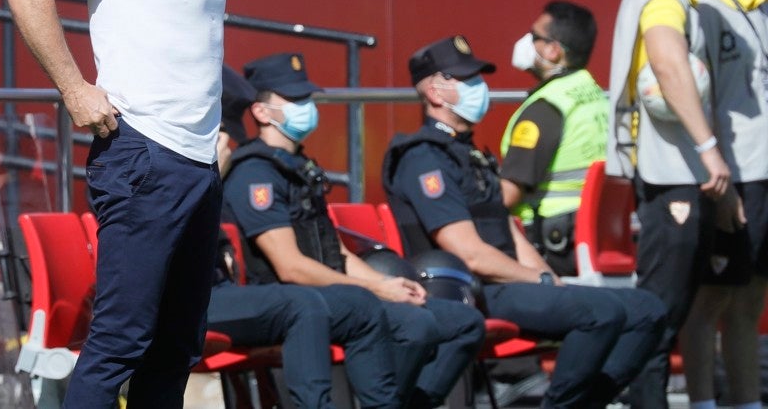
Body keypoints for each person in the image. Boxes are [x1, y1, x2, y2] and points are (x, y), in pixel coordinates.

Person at [3, 0, 228, 408]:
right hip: (144, 157)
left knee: (176, 347)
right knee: (120, 343)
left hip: (195, 161)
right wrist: (75, 89)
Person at [384, 35, 668, 409]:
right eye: (466, 79)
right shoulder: (424, 158)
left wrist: (550, 279)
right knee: (600, 315)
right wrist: (541, 281)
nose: (478, 87)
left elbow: (508, 232)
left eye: (477, 78)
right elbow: (470, 254)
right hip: (472, 290)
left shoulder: (469, 154)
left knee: (647, 310)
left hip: (509, 283)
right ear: (435, 92)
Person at [223, 52, 485, 408]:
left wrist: (389, 284)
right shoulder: (255, 173)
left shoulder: (299, 167)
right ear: (261, 112)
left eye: (307, 98)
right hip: (299, 303)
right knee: (415, 326)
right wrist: (376, 289)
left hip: (340, 293)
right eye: (295, 99)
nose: (306, 107)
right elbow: (290, 267)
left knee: (463, 321)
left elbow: (337, 252)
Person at [208, 65, 402, 409]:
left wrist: (381, 286)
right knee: (302, 304)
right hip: (179, 300)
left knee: (364, 308)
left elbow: (336, 251)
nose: (226, 145)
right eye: (220, 133)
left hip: (218, 290)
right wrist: (210, 179)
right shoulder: (224, 172)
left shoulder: (288, 168)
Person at [605, 0, 730, 409]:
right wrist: (708, 146)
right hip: (672, 173)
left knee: (668, 309)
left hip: (677, 170)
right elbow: (669, 65)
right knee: (659, 311)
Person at [683, 0, 768, 409]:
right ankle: (701, 401)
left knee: (751, 297)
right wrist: (719, 183)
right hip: (732, 175)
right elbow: (698, 99)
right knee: (711, 298)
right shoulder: (705, 5)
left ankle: (747, 400)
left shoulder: (763, 0)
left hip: (766, 172)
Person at [499, 1, 604, 277]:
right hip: (593, 235)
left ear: (553, 50)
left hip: (551, 244)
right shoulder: (594, 95)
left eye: (535, 36)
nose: (526, 42)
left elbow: (508, 194)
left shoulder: (546, 108)